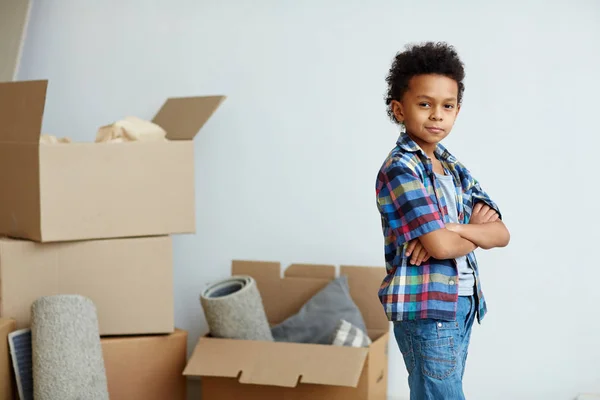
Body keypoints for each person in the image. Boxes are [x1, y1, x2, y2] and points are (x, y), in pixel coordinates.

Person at [375, 41, 511, 400]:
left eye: (447, 106)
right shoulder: (400, 168)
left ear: (457, 110)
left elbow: (500, 232)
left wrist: (452, 229)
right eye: (425, 104)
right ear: (399, 109)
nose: (437, 115)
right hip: (427, 308)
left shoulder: (453, 167)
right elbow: (440, 246)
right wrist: (459, 234)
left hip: (462, 303)